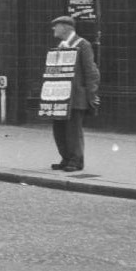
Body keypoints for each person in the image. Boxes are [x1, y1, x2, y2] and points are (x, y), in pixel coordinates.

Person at [48, 15, 99, 173]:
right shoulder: (61, 45)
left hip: (76, 96)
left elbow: (91, 72)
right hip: (60, 96)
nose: (53, 29)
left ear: (66, 27)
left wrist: (91, 95)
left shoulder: (83, 45)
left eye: (56, 26)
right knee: (59, 128)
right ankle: (66, 158)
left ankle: (76, 161)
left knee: (73, 130)